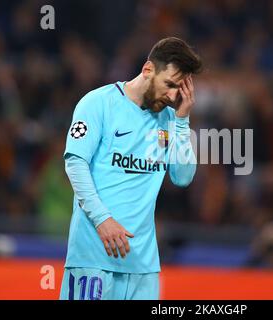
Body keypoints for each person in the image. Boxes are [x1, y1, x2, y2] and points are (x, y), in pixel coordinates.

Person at [59, 37, 202, 300]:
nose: (172, 96)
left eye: (178, 89)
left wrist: (182, 121)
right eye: (169, 84)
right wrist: (103, 220)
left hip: (143, 265)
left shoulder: (171, 119)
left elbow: (183, 178)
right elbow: (75, 164)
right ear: (148, 69)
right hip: (93, 257)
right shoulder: (98, 103)